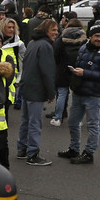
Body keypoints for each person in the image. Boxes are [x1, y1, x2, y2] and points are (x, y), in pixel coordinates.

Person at [58, 25, 100, 165]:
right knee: (72, 122)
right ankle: (74, 148)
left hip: (94, 94)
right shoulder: (84, 47)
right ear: (90, 36)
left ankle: (89, 153)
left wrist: (85, 73)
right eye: (97, 36)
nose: (99, 39)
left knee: (92, 125)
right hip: (79, 91)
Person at [16, 19, 59, 166]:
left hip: (27, 87)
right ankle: (33, 154)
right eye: (53, 30)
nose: (56, 33)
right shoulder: (45, 46)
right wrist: (50, 93)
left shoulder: (33, 43)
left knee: (26, 121)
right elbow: (47, 71)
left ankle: (22, 149)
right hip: (37, 89)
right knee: (35, 123)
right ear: (46, 31)